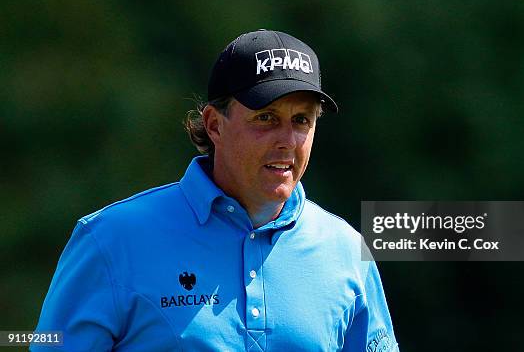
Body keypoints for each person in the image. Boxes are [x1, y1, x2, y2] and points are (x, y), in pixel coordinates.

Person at [33, 29, 399, 351]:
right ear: (213, 124)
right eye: (266, 118)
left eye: (301, 120)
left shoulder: (346, 250)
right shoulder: (110, 239)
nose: (288, 140)